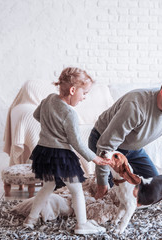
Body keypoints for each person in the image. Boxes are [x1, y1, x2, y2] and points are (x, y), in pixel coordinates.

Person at [23, 67, 111, 235]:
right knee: (77, 190)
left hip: (44, 152)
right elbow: (76, 142)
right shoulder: (70, 113)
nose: (84, 97)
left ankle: (31, 220)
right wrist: (95, 159)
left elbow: (36, 115)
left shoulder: (48, 99)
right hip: (61, 155)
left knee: (47, 187)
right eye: (84, 93)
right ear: (73, 90)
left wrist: (49, 126)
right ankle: (82, 224)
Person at [89, 71, 162, 199]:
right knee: (115, 195)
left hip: (133, 149)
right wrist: (102, 184)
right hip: (104, 143)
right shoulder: (135, 106)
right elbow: (106, 144)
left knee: (155, 190)